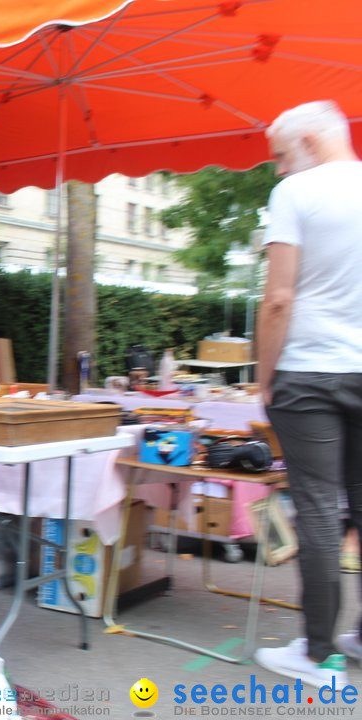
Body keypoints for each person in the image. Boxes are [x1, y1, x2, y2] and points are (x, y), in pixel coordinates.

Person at [253, 100, 362, 690]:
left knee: (319, 511)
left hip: (311, 371)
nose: (276, 169)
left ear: (313, 142)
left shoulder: (298, 193)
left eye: (279, 155)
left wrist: (265, 377)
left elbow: (278, 298)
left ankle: (320, 657)